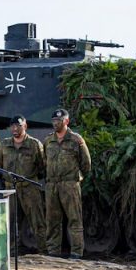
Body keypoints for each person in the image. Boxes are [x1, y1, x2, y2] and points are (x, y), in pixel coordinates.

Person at [43, 108, 91, 259]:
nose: (56, 123)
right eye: (54, 121)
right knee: (52, 220)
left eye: (59, 120)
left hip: (70, 184)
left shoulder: (76, 140)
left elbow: (86, 164)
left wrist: (76, 178)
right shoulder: (48, 140)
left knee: (74, 219)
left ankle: (76, 252)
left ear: (66, 121)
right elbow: (45, 161)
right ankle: (53, 251)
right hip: (52, 185)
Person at [0, 115, 47, 254]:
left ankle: (43, 249)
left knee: (37, 220)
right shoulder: (5, 144)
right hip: (10, 187)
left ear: (25, 126)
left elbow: (42, 167)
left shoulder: (34, 144)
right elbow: (0, 165)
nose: (15, 129)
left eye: (18, 126)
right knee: (10, 220)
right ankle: (12, 249)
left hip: (29, 187)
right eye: (12, 126)